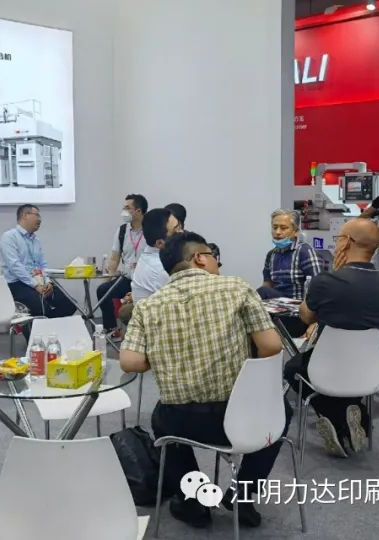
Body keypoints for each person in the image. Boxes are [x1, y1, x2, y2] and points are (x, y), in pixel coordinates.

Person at [120, 231, 286, 529]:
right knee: (281, 409)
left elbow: (130, 363)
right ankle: (242, 495)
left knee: (161, 418)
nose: (217, 263)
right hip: (240, 418)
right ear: (199, 258)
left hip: (181, 422)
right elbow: (272, 346)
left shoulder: (148, 305)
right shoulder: (237, 288)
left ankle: (193, 503)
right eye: (213, 256)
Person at [287, 218, 379, 457]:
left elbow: (306, 316)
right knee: (344, 386)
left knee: (292, 369)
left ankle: (338, 416)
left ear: (347, 242)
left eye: (339, 238)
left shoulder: (326, 282)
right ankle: (353, 413)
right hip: (372, 371)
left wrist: (333, 273)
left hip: (327, 368)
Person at [0, 204, 77, 318]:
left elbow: (42, 264)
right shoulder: (9, 237)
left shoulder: (35, 240)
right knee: (42, 308)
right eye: (37, 215)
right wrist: (35, 285)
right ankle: (38, 326)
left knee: (69, 305)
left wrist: (48, 282)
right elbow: (15, 266)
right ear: (25, 215)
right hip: (17, 284)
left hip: (39, 281)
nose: (40, 219)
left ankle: (45, 326)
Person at [96, 195, 148, 332]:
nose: (124, 211)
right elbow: (114, 258)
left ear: (138, 211)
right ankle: (112, 329)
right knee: (103, 291)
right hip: (127, 278)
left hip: (145, 280)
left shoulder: (151, 230)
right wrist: (107, 280)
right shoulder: (122, 230)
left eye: (127, 208)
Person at [260, 209, 323, 301]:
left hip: (297, 305)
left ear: (296, 231)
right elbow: (267, 284)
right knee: (259, 292)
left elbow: (319, 288)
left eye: (283, 228)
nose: (277, 232)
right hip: (275, 304)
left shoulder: (305, 252)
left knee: (263, 291)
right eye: (275, 227)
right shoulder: (271, 255)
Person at [130, 208, 181, 302]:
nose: (181, 232)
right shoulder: (161, 269)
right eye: (176, 230)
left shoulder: (150, 254)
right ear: (160, 243)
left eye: (179, 226)